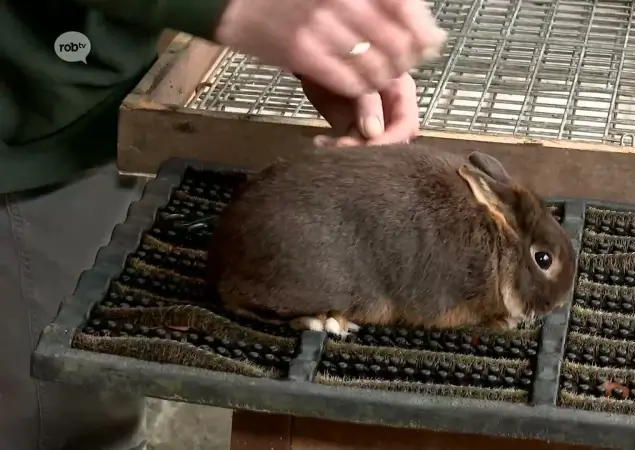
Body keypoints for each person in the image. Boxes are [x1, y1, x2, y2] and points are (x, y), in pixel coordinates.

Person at [0, 0, 447, 448]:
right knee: (61, 421)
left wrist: (318, 42)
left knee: (91, 405)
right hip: (22, 122)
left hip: (81, 82)